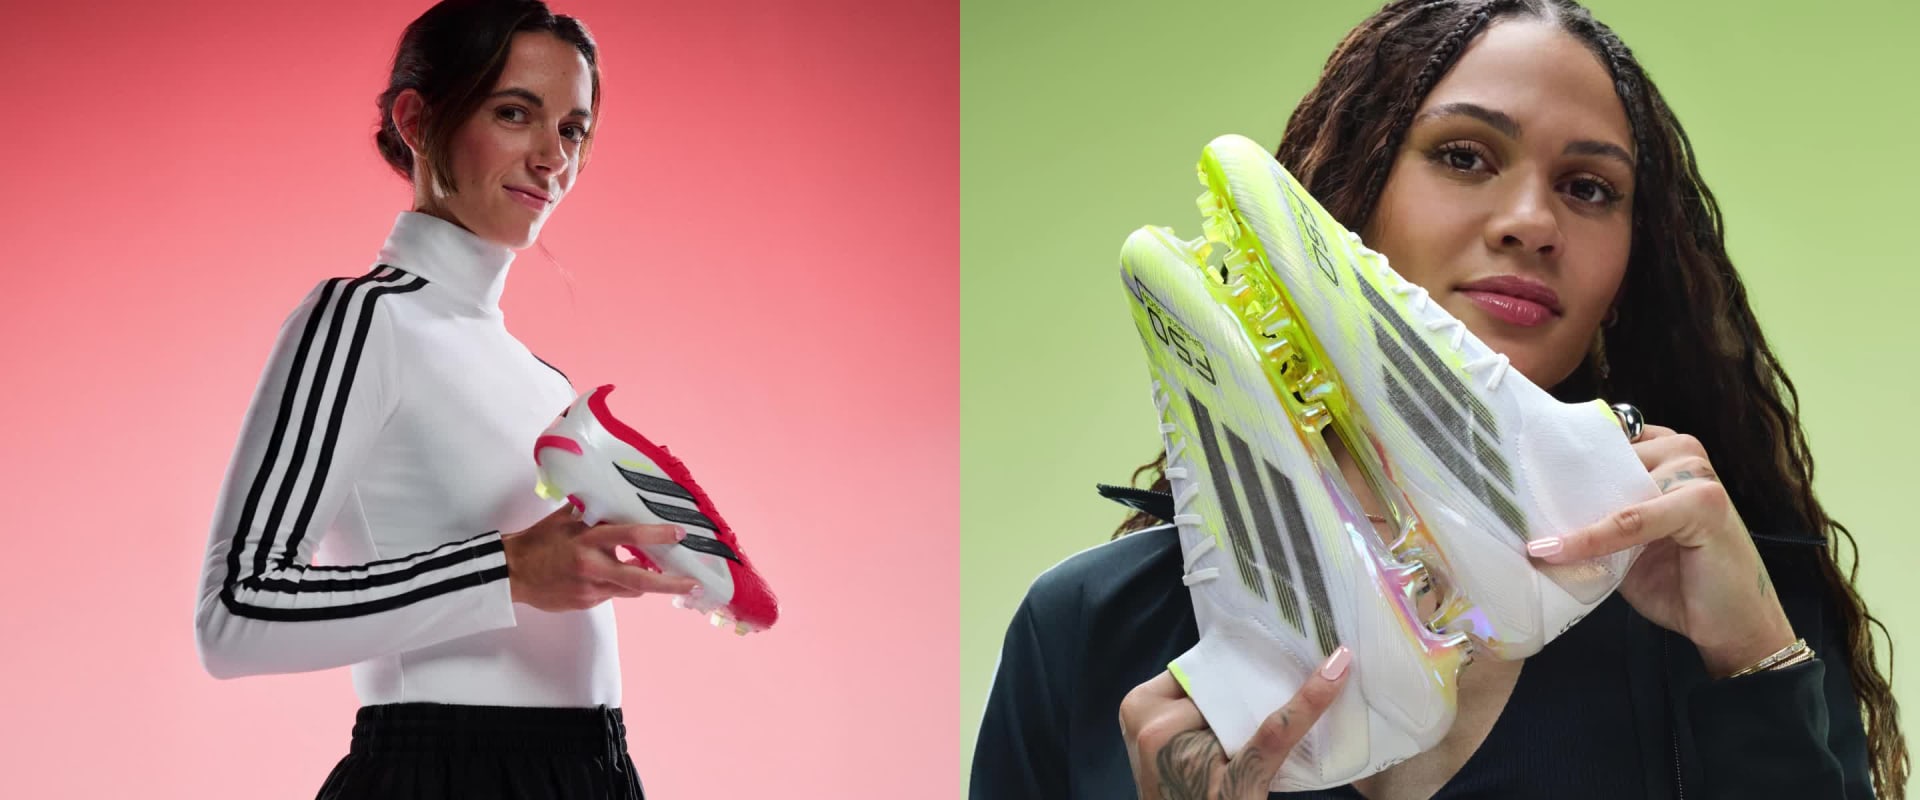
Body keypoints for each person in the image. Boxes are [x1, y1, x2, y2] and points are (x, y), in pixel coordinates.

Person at [970, 1, 1906, 798]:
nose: (1532, 223)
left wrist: (1751, 662)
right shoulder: (1091, 629)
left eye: (1589, 188)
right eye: (1464, 156)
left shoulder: (1725, 599)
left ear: (1631, 260)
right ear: (1357, 191)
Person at [191, 2, 693, 797]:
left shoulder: (545, 382)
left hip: (596, 772)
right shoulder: (362, 320)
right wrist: (509, 571)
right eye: (514, 113)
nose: (550, 158)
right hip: (441, 772)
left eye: (571, 129)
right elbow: (236, 611)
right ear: (417, 120)